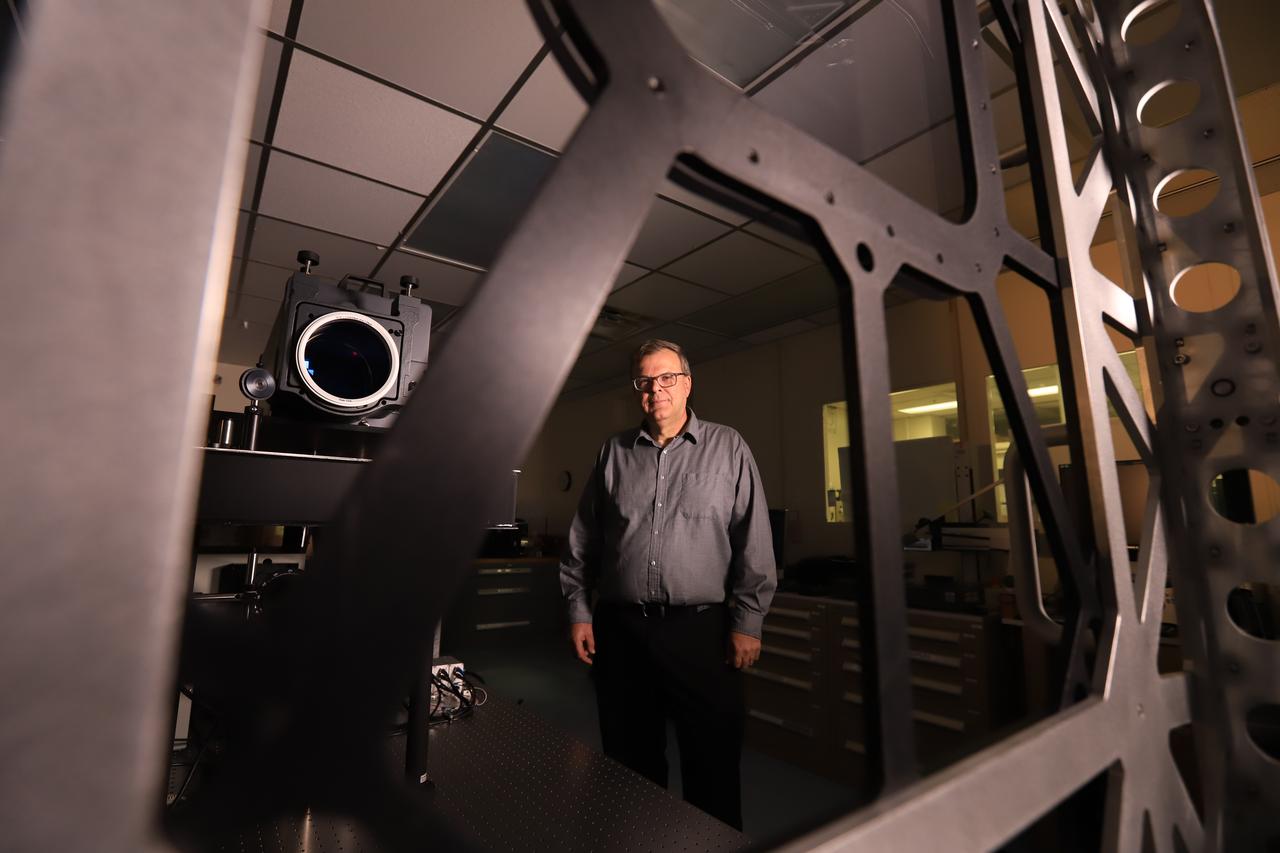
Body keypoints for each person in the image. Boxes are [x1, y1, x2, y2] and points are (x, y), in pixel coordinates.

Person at [559, 338, 777, 830]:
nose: (655, 390)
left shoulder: (728, 447)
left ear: (687, 384)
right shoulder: (612, 453)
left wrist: (749, 622)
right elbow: (583, 542)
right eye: (645, 381)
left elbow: (754, 542)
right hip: (622, 632)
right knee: (628, 763)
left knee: (712, 763)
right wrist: (579, 611)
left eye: (666, 378)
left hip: (701, 633)